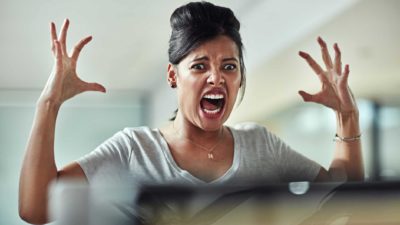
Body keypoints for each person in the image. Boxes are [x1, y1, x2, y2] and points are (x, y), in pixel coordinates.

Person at [18, 1, 364, 224]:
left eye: (229, 66)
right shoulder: (133, 148)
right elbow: (36, 209)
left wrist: (348, 117)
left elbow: (346, 197)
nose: (217, 77)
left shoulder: (260, 144)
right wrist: (48, 105)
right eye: (200, 66)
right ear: (173, 75)